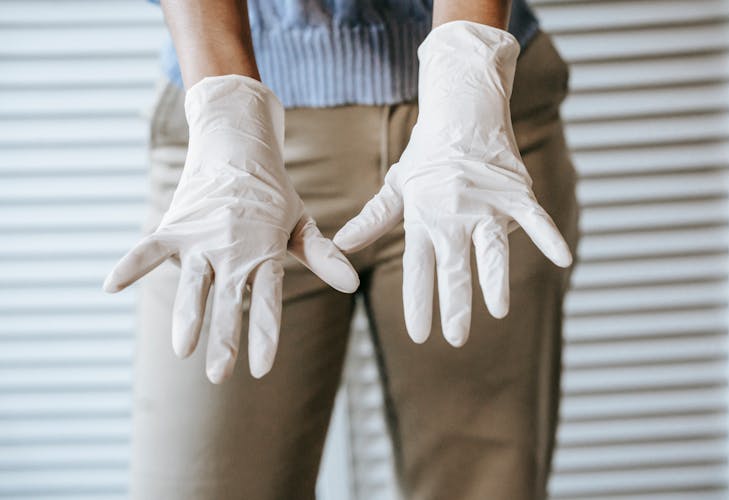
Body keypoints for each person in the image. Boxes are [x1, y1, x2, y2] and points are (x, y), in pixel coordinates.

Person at [104, 0, 579, 498]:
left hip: (479, 128)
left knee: (485, 485)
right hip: (236, 142)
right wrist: (226, 102)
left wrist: (468, 59)